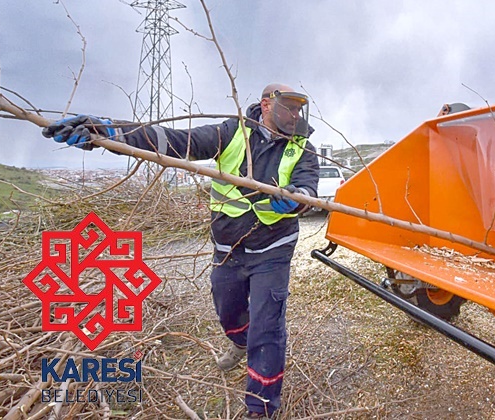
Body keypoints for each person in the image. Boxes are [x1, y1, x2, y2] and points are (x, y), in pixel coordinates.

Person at [42, 83, 320, 418]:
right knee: (228, 309)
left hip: (273, 247)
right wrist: (108, 131)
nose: (295, 115)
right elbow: (174, 142)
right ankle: (240, 342)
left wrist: (295, 199)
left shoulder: (303, 148)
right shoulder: (231, 132)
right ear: (265, 105)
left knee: (267, 325)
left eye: (299, 109)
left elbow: (308, 190)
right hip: (229, 245)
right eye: (289, 107)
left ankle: (260, 408)